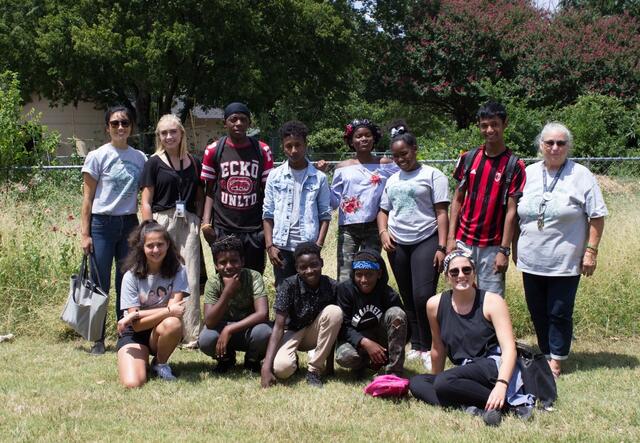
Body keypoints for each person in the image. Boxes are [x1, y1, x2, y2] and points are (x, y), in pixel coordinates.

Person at [515, 122, 607, 379]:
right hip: (531, 257)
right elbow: (513, 213)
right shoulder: (527, 173)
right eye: (549, 143)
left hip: (565, 261)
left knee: (559, 311)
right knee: (537, 309)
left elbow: (597, 216)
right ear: (540, 145)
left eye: (561, 143)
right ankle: (545, 352)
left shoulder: (581, 175)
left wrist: (591, 251)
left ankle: (556, 358)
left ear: (568, 146)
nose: (555, 148)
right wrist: (513, 247)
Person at [409, 250, 517, 426]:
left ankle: (505, 405)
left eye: (467, 270)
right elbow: (438, 347)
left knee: (445, 381)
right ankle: (478, 407)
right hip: (466, 371)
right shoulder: (434, 305)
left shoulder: (492, 301)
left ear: (474, 273)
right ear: (446, 277)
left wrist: (502, 384)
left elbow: (509, 349)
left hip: (491, 365)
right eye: (454, 272)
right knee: (417, 383)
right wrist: (436, 382)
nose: (461, 275)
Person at [377, 122, 449, 370]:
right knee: (407, 297)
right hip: (398, 243)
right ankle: (417, 345)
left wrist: (442, 246)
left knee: (423, 296)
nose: (400, 160)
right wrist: (383, 232)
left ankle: (432, 346)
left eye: (404, 154)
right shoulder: (393, 179)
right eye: (396, 156)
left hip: (426, 239)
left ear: (415, 150)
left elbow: (442, 212)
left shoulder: (432, 175)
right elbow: (383, 210)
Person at [80, 105, 147, 355]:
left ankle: (124, 334)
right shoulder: (98, 156)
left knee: (126, 282)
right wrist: (85, 234)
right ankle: (97, 338)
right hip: (102, 224)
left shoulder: (140, 157)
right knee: (100, 283)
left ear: (131, 127)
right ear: (107, 127)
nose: (121, 127)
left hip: (129, 224)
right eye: (115, 123)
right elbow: (87, 199)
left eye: (125, 123)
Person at [447, 101, 526, 297]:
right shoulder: (468, 158)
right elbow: (457, 199)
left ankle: (490, 329)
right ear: (479, 126)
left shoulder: (514, 165)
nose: (489, 130)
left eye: (494, 124)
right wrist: (451, 238)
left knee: (491, 299)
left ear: (504, 124)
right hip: (463, 242)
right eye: (484, 125)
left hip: (492, 246)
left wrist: (504, 250)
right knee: (462, 295)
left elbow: (511, 211)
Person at [140, 114, 204, 348]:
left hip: (188, 223)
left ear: (181, 134)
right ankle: (162, 330)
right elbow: (146, 200)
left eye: (173, 132)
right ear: (159, 136)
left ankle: (191, 334)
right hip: (161, 221)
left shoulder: (195, 162)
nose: (168, 137)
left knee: (191, 278)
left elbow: (199, 194)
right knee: (162, 275)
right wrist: (149, 230)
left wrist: (199, 220)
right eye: (163, 133)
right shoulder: (153, 163)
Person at [200, 102, 274, 273]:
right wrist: (205, 224)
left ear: (249, 123)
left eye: (243, 119)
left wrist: (268, 228)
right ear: (225, 123)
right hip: (224, 227)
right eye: (234, 119)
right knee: (225, 275)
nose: (238, 123)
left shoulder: (262, 150)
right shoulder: (213, 150)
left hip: (254, 228)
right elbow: (209, 190)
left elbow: (268, 192)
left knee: (253, 276)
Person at [116, 221, 190, 387]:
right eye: (150, 246)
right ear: (142, 247)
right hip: (134, 334)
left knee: (173, 323)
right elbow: (136, 327)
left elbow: (175, 314)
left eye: (160, 245)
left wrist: (135, 314)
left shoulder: (179, 271)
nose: (156, 250)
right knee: (133, 383)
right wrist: (168, 310)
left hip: (160, 329)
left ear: (168, 244)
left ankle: (160, 364)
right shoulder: (130, 276)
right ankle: (139, 362)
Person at [261, 242, 342, 388]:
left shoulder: (332, 286)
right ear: (297, 268)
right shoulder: (288, 285)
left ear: (321, 263)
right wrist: (266, 367)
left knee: (335, 312)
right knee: (282, 370)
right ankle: (292, 360)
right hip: (292, 331)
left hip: (314, 333)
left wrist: (329, 367)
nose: (309, 270)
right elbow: (278, 326)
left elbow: (332, 328)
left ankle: (314, 370)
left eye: (314, 265)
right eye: (303, 267)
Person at [263, 121, 331, 287]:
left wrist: (318, 246)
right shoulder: (275, 176)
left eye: (298, 145)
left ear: (305, 145)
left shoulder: (319, 178)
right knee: (284, 291)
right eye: (289, 146)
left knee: (308, 291)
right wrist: (270, 245)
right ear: (283, 147)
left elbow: (325, 215)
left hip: (308, 247)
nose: (294, 150)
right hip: (282, 247)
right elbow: (268, 214)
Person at [330, 119, 398, 282]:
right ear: (351, 141)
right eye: (358, 136)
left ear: (374, 138)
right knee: (345, 273)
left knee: (370, 269)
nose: (363, 139)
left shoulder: (386, 165)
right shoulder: (342, 167)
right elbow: (333, 200)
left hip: (375, 226)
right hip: (348, 227)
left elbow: (400, 184)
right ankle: (345, 306)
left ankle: (371, 304)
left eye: (368, 135)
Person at [198, 236, 272, 372]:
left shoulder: (253, 276)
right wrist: (227, 293)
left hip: (249, 330)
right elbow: (209, 322)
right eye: (223, 262)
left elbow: (262, 313)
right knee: (205, 339)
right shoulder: (213, 283)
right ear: (215, 265)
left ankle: (252, 360)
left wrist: (229, 330)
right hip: (222, 328)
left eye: (234, 261)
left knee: (265, 332)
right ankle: (226, 359)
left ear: (242, 261)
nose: (229, 266)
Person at [335, 249, 407, 376]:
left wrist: (387, 347)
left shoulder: (387, 293)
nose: (363, 280)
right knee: (345, 357)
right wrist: (365, 342)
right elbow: (343, 326)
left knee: (397, 313)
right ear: (353, 274)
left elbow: (404, 327)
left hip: (381, 338)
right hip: (357, 340)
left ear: (379, 273)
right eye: (359, 274)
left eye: (369, 274)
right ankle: (365, 363)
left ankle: (394, 371)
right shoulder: (345, 291)